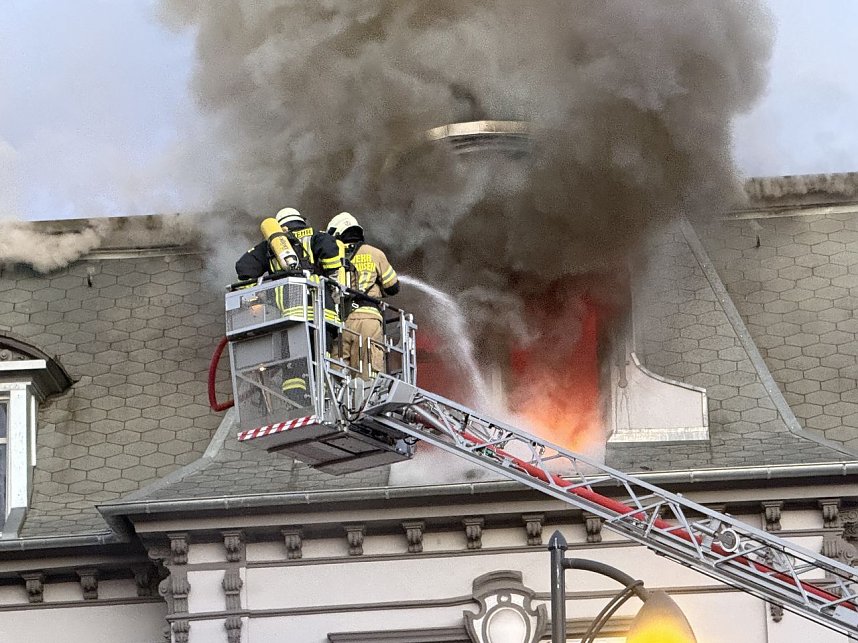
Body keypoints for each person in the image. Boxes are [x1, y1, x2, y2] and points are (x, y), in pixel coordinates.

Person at [235, 207, 342, 403]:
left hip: (289, 315)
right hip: (321, 313)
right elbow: (331, 251)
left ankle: (298, 403)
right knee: (321, 358)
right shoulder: (316, 236)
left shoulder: (271, 246)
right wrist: (333, 277)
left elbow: (244, 267)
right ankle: (323, 400)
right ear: (301, 221)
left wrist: (256, 296)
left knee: (293, 362)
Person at [326, 212, 400, 378]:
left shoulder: (330, 256)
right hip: (368, 319)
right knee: (368, 377)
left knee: (336, 377)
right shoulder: (374, 253)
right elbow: (393, 287)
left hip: (340, 324)